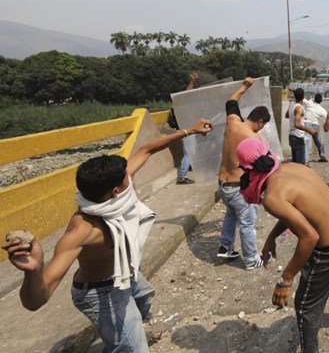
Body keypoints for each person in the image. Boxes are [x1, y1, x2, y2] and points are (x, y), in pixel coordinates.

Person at [2, 118, 212, 352]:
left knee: (144, 297)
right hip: (101, 291)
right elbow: (35, 301)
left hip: (126, 273)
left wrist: (189, 130)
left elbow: (147, 149)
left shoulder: (108, 194)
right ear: (115, 191)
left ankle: (128, 334)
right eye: (127, 179)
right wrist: (35, 271)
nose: (131, 177)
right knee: (134, 349)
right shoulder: (82, 229)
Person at [236, 137, 329, 353]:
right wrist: (272, 236)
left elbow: (309, 237)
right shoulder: (293, 167)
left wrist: (286, 279)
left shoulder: (272, 196)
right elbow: (298, 210)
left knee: (305, 305)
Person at [216, 77, 271, 270]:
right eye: (263, 125)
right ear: (261, 121)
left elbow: (231, 102)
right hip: (239, 189)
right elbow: (265, 168)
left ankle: (225, 246)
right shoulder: (256, 139)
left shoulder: (232, 123)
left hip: (222, 185)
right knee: (247, 224)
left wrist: (245, 86)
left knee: (231, 214)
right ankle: (251, 260)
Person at [172, 72, 200, 184]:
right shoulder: (181, 101)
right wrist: (192, 81)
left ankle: (188, 167)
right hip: (187, 129)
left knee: (191, 151)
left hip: (188, 128)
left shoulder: (180, 104)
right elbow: (187, 94)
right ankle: (182, 177)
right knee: (188, 153)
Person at [286, 88, 317, 164]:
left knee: (295, 162)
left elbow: (287, 115)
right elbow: (297, 124)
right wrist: (309, 130)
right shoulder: (299, 108)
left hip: (292, 136)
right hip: (298, 137)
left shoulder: (291, 105)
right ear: (303, 97)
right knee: (300, 163)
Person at [302, 93, 328, 163]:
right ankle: (323, 157)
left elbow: (301, 97)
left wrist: (293, 90)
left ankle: (305, 160)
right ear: (321, 101)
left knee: (306, 141)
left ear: (314, 98)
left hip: (307, 124)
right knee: (318, 141)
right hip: (315, 125)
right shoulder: (322, 109)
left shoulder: (309, 103)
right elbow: (328, 118)